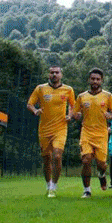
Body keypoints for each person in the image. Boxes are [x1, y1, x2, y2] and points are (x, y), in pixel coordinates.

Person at [27, 66, 75, 198]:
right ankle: (48, 184)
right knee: (46, 159)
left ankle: (54, 186)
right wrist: (35, 110)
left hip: (60, 128)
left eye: (57, 72)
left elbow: (73, 106)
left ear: (61, 75)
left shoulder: (68, 89)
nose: (54, 75)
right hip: (44, 129)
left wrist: (70, 115)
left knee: (57, 156)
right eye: (52, 72)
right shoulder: (40, 88)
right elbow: (30, 104)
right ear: (48, 75)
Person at [72, 68, 112, 198]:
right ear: (89, 80)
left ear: (101, 81)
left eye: (98, 79)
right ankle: (87, 190)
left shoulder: (108, 96)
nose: (95, 81)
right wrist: (76, 115)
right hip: (86, 132)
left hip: (102, 134)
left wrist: (110, 115)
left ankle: (102, 175)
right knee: (86, 160)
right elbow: (75, 113)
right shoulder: (81, 96)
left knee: (101, 164)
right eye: (93, 79)